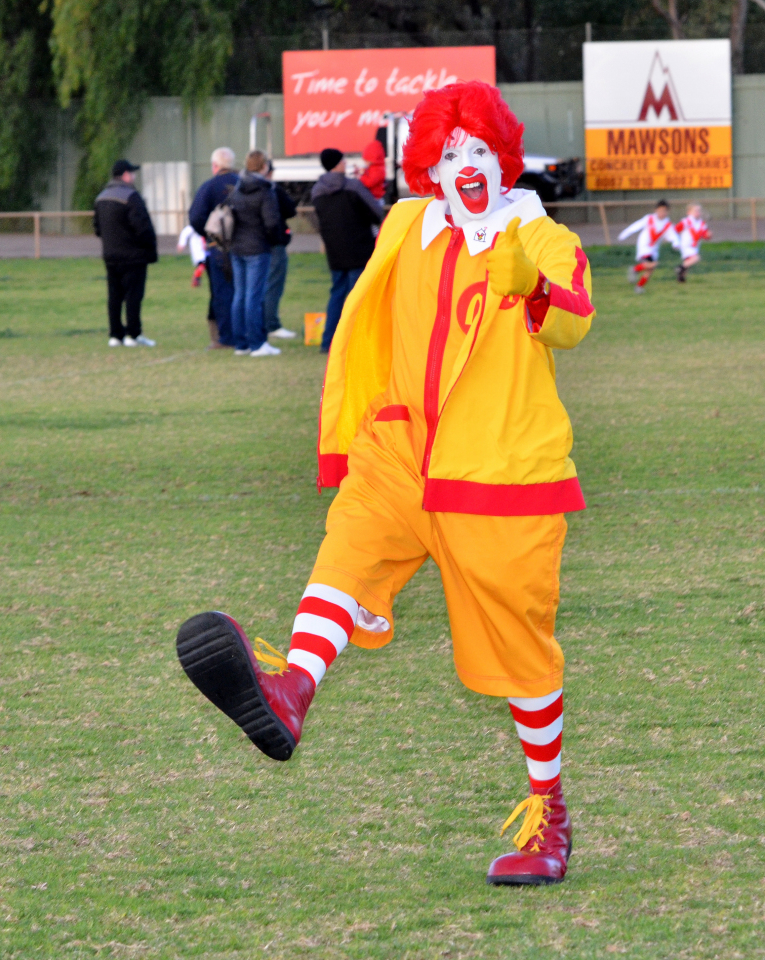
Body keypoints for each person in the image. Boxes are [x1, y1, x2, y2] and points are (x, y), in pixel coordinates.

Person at [176, 81, 595, 887]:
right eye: (446, 154)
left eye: (478, 152)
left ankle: (551, 817)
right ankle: (292, 689)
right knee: (349, 550)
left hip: (498, 471)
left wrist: (527, 282)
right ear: (428, 165)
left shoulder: (541, 236)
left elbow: (573, 317)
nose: (462, 167)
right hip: (402, 449)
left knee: (522, 659)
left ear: (502, 158)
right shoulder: (409, 221)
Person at [311, 147, 384, 352]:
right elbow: (375, 212)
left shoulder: (317, 191)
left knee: (337, 293)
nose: (345, 164)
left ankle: (328, 341)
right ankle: (355, 340)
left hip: (335, 251)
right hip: (359, 248)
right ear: (337, 164)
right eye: (343, 161)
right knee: (358, 296)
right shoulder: (353, 186)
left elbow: (319, 221)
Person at [93, 159, 158, 347]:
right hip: (133, 256)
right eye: (132, 173)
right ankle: (133, 334)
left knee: (114, 296)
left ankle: (115, 335)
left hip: (110, 255)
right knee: (133, 295)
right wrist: (148, 247)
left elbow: (97, 228)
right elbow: (142, 227)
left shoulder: (101, 198)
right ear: (125, 175)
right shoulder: (131, 196)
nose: (134, 176)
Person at [227, 150, 281, 357]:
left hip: (237, 247)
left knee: (239, 296)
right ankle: (258, 343)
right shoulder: (264, 190)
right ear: (263, 166)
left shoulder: (238, 187)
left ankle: (241, 344)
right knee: (254, 297)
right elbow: (272, 222)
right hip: (257, 248)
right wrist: (276, 239)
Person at [189, 147, 238, 349]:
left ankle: (226, 337)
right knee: (245, 291)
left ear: (215, 166)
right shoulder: (243, 183)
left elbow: (195, 217)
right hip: (244, 246)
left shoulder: (208, 187)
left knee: (221, 293)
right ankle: (248, 333)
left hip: (218, 248)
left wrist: (209, 233)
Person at [262, 162, 298, 340]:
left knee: (251, 289)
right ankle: (271, 324)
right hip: (273, 243)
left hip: (248, 245)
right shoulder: (270, 188)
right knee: (273, 284)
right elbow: (290, 209)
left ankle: (255, 325)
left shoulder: (241, 187)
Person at [618, 199, 675, 293]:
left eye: (664, 211)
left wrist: (675, 243)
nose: (662, 213)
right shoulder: (649, 218)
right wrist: (624, 234)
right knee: (653, 264)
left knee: (650, 270)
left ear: (667, 212)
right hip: (644, 247)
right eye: (660, 210)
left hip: (654, 249)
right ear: (656, 210)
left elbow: (672, 235)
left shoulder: (667, 223)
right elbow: (636, 226)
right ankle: (634, 270)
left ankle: (638, 286)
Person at [673, 204, 712, 282]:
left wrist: (708, 235)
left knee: (688, 263)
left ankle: (681, 279)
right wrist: (675, 241)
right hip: (686, 245)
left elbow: (705, 235)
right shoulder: (686, 221)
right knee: (696, 258)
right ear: (689, 212)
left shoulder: (702, 223)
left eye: (699, 211)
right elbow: (675, 230)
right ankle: (679, 268)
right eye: (695, 211)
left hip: (695, 246)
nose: (698, 212)